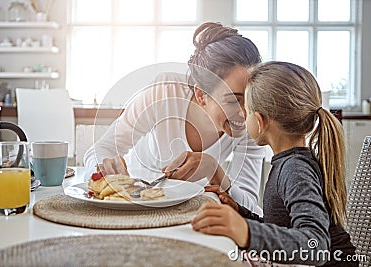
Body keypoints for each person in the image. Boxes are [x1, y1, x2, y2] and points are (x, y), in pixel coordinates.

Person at [83, 22, 265, 211]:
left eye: (253, 97)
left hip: (193, 212)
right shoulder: (163, 92)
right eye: (233, 100)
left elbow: (250, 206)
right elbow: (102, 148)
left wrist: (215, 171)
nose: (246, 112)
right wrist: (101, 169)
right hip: (135, 205)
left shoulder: (255, 121)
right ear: (202, 95)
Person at [192, 61, 357, 266]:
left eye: (248, 110)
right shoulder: (289, 163)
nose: (243, 116)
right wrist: (241, 214)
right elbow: (282, 227)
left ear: (260, 121)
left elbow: (317, 247)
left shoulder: (295, 169)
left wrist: (246, 231)